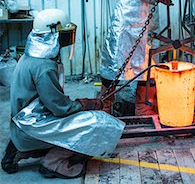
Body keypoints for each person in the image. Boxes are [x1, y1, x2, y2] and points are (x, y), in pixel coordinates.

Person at [1, 9, 125, 178]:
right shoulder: (43, 66)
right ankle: (53, 163)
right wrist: (88, 104)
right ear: (53, 35)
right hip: (31, 127)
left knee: (83, 117)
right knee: (98, 123)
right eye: (64, 33)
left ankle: (24, 150)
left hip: (26, 122)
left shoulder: (32, 56)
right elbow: (60, 108)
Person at [99, 0, 194, 116]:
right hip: (124, 28)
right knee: (114, 65)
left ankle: (142, 106)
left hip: (145, 28)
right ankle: (105, 104)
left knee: (145, 66)